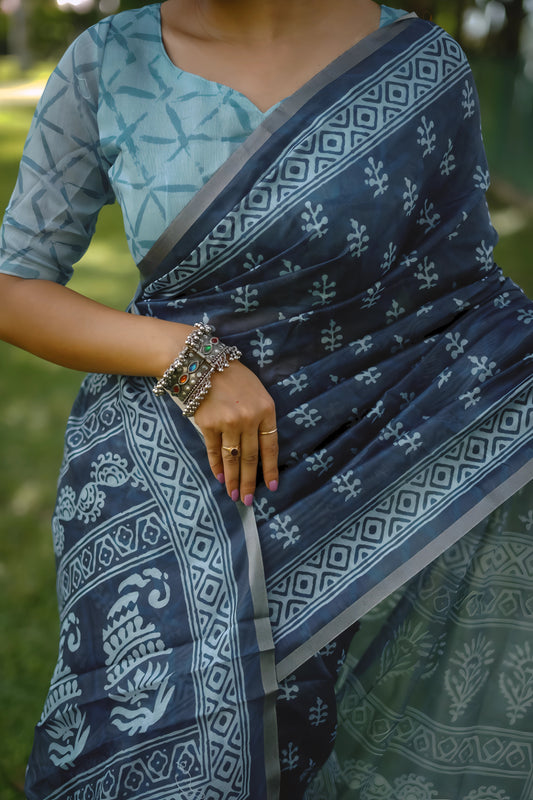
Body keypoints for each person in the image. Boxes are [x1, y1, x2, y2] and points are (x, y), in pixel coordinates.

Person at [0, 1, 532, 798]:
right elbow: (15, 286)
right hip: (166, 470)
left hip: (367, 457)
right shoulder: (109, 61)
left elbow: (456, 293)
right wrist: (186, 359)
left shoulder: (418, 65)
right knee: (163, 756)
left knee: (319, 748)